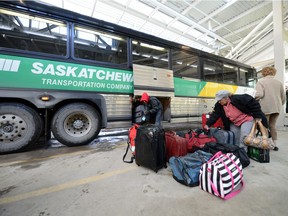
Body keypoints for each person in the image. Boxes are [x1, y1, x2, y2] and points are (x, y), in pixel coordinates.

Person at [203, 90, 268, 152]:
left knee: (243, 138)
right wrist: (208, 124)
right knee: (234, 137)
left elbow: (253, 102)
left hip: (246, 119)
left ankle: (243, 154)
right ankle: (237, 151)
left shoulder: (237, 99)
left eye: (220, 100)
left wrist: (257, 115)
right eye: (218, 100)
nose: (219, 102)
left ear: (226, 98)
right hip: (234, 122)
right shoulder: (219, 105)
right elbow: (215, 115)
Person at [255, 66, 286, 151]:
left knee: (264, 126)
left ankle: (266, 144)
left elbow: (259, 94)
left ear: (264, 72)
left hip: (266, 107)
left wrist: (254, 98)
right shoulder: (279, 83)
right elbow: (283, 97)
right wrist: (279, 104)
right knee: (272, 126)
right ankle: (274, 145)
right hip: (276, 107)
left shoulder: (261, 82)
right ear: (273, 72)